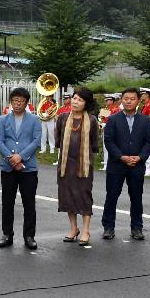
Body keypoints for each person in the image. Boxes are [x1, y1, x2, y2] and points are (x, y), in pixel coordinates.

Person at [101, 87, 150, 241]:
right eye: (126, 98)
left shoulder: (145, 120)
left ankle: (137, 227)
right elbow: (108, 141)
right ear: (121, 100)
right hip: (116, 165)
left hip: (137, 165)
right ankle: (108, 227)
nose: (128, 101)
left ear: (138, 100)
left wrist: (140, 157)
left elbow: (149, 141)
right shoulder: (113, 119)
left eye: (132, 98)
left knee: (136, 197)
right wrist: (121, 156)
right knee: (112, 196)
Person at [0, 87, 42, 250]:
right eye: (15, 100)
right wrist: (11, 158)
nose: (17, 104)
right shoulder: (3, 119)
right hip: (7, 167)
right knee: (7, 202)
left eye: (21, 101)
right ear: (11, 101)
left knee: (29, 202)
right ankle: (7, 234)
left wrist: (21, 157)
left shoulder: (34, 120)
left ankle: (29, 236)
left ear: (26, 103)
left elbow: (36, 141)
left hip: (28, 168)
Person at [55, 87, 99, 246]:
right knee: (67, 195)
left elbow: (94, 144)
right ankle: (73, 228)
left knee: (84, 196)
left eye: (80, 100)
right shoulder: (62, 118)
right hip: (66, 165)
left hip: (84, 165)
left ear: (86, 103)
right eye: (74, 98)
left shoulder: (92, 120)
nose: (75, 102)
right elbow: (58, 140)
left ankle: (86, 230)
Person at [99, 94, 120, 171]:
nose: (106, 102)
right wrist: (101, 124)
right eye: (106, 100)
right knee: (105, 147)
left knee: (113, 147)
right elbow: (102, 120)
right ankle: (106, 164)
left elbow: (116, 122)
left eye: (108, 100)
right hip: (105, 130)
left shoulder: (116, 109)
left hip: (113, 130)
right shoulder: (105, 109)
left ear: (112, 101)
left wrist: (106, 124)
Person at [139, 88, 150, 176]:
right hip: (142, 128)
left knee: (149, 148)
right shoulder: (145, 105)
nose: (141, 96)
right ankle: (146, 167)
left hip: (148, 128)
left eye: (142, 94)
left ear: (147, 95)